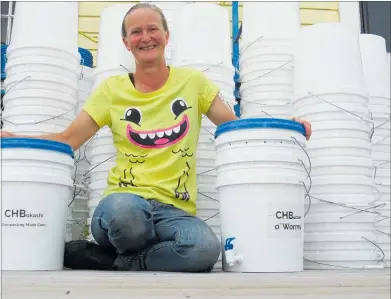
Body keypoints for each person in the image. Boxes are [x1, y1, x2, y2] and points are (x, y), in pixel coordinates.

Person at [0, 3, 312, 272]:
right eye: (136, 32)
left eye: (153, 29)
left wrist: (284, 124)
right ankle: (139, 252)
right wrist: (15, 136)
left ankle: (118, 262)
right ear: (125, 42)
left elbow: (235, 127)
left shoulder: (193, 83)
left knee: (204, 249)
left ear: (166, 35)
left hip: (174, 213)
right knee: (127, 216)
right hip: (123, 205)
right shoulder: (111, 90)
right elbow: (68, 139)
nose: (145, 37)